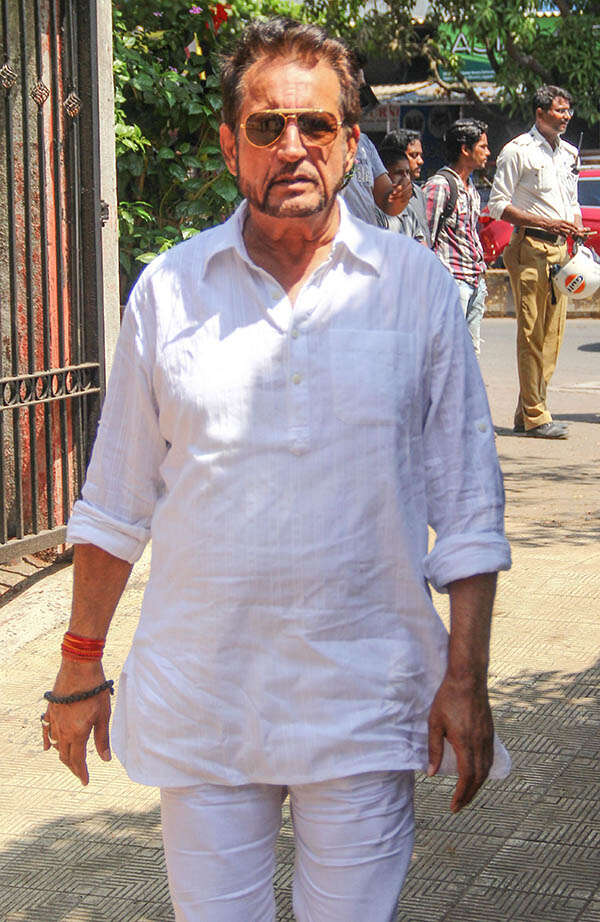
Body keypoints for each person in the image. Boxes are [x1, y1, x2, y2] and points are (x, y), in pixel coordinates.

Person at [41, 18, 511, 922]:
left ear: (347, 142)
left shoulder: (413, 289)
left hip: (368, 699)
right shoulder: (169, 291)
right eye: (266, 127)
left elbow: (469, 509)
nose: (292, 146)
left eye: (317, 126)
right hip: (206, 700)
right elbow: (114, 502)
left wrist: (466, 682)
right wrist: (79, 665)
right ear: (230, 145)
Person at [488, 85, 589, 438]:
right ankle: (536, 416)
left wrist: (574, 228)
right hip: (529, 247)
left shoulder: (570, 153)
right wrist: (546, 222)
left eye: (568, 111)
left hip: (562, 251)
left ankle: (528, 411)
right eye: (560, 110)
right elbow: (497, 205)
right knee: (531, 332)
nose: (566, 117)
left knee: (553, 335)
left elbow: (571, 202)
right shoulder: (517, 151)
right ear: (540, 112)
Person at [423, 119, 490, 356]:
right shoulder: (439, 186)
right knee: (446, 356)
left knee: (468, 358)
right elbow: (423, 240)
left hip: (474, 281)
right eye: (482, 146)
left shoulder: (470, 187)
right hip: (452, 283)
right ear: (465, 150)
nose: (487, 153)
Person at [341, 55, 411, 227]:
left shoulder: (364, 143)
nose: (361, 98)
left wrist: (400, 194)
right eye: (357, 89)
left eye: (363, 88)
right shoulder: (316, 143)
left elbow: (387, 201)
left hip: (365, 246)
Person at [379, 131, 431, 245]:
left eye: (420, 155)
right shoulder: (375, 209)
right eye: (413, 155)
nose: (420, 161)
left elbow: (423, 241)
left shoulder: (418, 194)